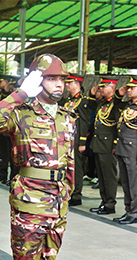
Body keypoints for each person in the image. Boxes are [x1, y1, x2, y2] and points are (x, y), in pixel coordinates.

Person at [0, 54, 74, 260]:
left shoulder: (67, 117)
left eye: (62, 79)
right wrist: (21, 93)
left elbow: (69, 162)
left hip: (58, 201)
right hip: (30, 201)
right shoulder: (21, 113)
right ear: (38, 80)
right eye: (51, 78)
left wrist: (67, 193)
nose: (59, 85)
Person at [113, 77, 137, 224]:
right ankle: (128, 210)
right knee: (126, 183)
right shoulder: (128, 107)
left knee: (134, 184)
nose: (129, 90)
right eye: (128, 88)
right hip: (123, 149)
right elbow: (115, 103)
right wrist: (120, 92)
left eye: (132, 88)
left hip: (134, 151)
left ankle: (135, 213)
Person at [88, 77, 127, 215]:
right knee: (102, 176)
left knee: (109, 177)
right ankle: (104, 202)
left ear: (112, 87)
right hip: (99, 143)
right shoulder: (103, 103)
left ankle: (110, 204)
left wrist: (115, 143)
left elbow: (118, 125)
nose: (101, 89)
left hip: (108, 144)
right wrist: (92, 95)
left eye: (103, 87)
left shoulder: (116, 104)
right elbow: (90, 107)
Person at [60, 73, 91, 206]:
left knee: (76, 166)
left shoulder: (83, 102)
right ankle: (69, 191)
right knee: (67, 166)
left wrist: (82, 141)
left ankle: (77, 194)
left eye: (69, 83)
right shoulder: (69, 101)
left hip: (77, 138)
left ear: (77, 84)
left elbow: (84, 122)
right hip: (67, 137)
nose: (67, 85)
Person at [0, 74, 20, 184]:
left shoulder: (16, 97)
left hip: (11, 130)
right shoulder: (2, 95)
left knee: (13, 155)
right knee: (1, 152)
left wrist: (10, 90)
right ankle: (1, 173)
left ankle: (13, 177)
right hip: (1, 129)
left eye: (1, 81)